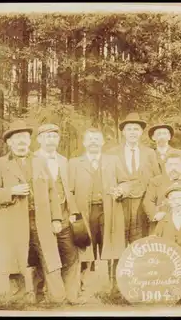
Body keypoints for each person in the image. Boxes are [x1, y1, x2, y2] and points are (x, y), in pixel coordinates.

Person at [0, 120, 66, 305]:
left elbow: (52, 191)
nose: (22, 142)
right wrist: (11, 191)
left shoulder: (40, 161)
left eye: (25, 138)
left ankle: (56, 299)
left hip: (41, 221)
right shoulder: (0, 164)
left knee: (49, 258)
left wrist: (56, 218)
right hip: (13, 221)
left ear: (30, 141)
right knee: (16, 260)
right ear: (9, 142)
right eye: (17, 138)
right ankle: (18, 300)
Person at [68, 128, 129, 300]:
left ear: (102, 143)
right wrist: (73, 212)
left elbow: (125, 182)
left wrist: (121, 190)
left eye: (97, 139)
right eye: (90, 139)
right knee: (84, 248)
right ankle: (82, 289)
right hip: (84, 214)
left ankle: (115, 289)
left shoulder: (113, 160)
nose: (93, 142)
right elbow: (69, 191)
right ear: (84, 143)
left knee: (113, 249)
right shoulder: (74, 163)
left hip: (110, 211)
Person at [33, 123, 83, 305]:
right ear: (39, 139)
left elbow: (68, 189)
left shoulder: (63, 160)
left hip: (64, 214)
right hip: (41, 216)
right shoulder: (32, 159)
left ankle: (72, 295)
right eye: (47, 136)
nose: (51, 140)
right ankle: (54, 297)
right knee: (47, 255)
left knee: (71, 253)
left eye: (54, 136)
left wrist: (72, 212)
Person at [107, 112, 161, 242]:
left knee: (141, 239)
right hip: (120, 202)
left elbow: (157, 179)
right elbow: (108, 179)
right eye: (129, 129)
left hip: (142, 202)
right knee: (119, 238)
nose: (132, 132)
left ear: (141, 132)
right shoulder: (112, 153)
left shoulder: (150, 153)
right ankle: (116, 263)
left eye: (136, 129)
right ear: (123, 132)